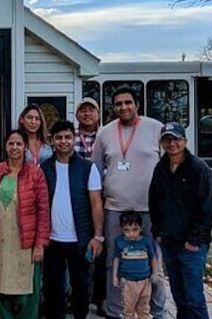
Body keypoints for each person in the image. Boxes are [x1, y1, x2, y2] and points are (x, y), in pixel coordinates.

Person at [91, 87, 167, 319]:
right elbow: (95, 170)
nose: (123, 107)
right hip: (115, 208)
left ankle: (158, 311)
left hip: (148, 208)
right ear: (113, 108)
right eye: (118, 104)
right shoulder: (104, 133)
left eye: (128, 103)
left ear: (136, 105)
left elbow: (169, 165)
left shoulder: (155, 128)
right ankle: (116, 311)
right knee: (114, 260)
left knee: (154, 261)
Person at [149, 122, 212, 319]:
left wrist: (195, 241)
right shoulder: (160, 168)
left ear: (184, 141)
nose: (172, 143)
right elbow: (154, 201)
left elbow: (208, 209)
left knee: (194, 299)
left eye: (176, 139)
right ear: (162, 143)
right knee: (179, 296)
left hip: (191, 247)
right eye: (167, 139)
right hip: (169, 243)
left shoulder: (199, 169)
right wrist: (158, 232)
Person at [40, 120, 105, 319]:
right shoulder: (44, 168)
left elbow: (96, 204)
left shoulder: (87, 168)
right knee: (53, 290)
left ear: (73, 139)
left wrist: (98, 236)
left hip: (80, 239)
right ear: (52, 141)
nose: (63, 141)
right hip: (53, 240)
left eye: (67, 137)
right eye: (58, 137)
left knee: (81, 289)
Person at [0, 129, 50, 318]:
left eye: (18, 144)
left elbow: (43, 211)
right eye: (11, 143)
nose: (14, 147)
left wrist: (40, 244)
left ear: (25, 147)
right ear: (5, 147)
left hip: (25, 242)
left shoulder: (35, 174)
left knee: (26, 291)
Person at [74, 96, 107, 314]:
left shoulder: (108, 136)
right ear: (77, 115)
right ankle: (79, 297)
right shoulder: (71, 137)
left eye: (91, 110)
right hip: (79, 199)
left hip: (104, 197)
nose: (87, 114)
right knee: (81, 250)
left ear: (98, 113)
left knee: (102, 250)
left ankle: (102, 298)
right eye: (83, 110)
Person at [111, 211, 158, 319]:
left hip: (145, 281)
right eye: (126, 230)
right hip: (128, 282)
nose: (131, 234)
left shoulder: (146, 241)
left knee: (144, 309)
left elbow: (153, 258)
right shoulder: (120, 241)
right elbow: (117, 258)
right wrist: (114, 276)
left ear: (141, 228)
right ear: (121, 229)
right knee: (128, 309)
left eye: (135, 229)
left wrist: (155, 273)